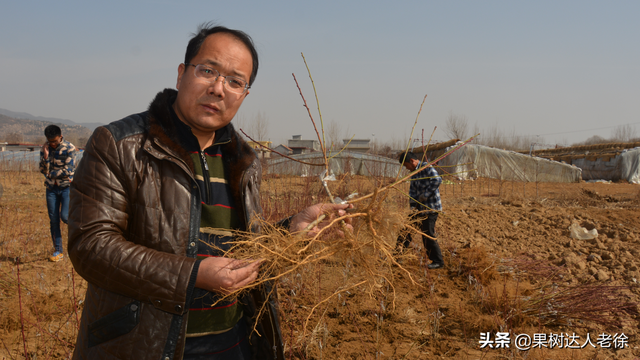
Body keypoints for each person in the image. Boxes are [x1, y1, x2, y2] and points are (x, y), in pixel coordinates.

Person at [68, 23, 349, 360]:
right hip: (147, 344)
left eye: (235, 81)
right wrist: (192, 275)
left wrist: (289, 231)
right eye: (208, 71)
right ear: (181, 74)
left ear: (244, 94)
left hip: (233, 344)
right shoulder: (120, 145)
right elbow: (91, 246)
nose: (219, 89)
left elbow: (239, 247)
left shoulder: (244, 160)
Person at [396, 151, 444, 269]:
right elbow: (412, 191)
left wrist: (425, 195)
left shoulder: (426, 167)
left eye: (406, 165)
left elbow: (437, 180)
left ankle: (438, 261)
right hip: (418, 209)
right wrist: (413, 206)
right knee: (406, 230)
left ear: (412, 161)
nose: (406, 168)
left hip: (430, 208)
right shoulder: (414, 172)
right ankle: (397, 255)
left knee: (427, 234)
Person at [39, 124, 76, 262]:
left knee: (66, 217)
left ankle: (80, 240)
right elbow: (42, 170)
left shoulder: (70, 148)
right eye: (50, 142)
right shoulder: (46, 149)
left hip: (66, 187)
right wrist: (46, 157)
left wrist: (50, 173)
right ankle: (58, 250)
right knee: (53, 220)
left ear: (60, 137)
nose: (53, 144)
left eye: (55, 141)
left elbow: (68, 171)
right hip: (51, 189)